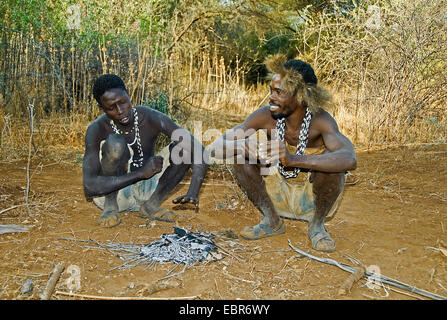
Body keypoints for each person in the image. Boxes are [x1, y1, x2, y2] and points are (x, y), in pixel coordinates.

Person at [208, 54, 356, 252]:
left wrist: (293, 159)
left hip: (311, 199)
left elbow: (349, 158)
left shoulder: (322, 121)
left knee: (334, 167)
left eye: (280, 92)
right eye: (271, 90)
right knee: (238, 155)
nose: (272, 97)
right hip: (275, 193)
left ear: (302, 95)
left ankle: (317, 225)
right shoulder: (265, 116)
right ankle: (271, 220)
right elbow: (215, 147)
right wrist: (239, 146)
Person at [83, 74, 207, 227]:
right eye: (111, 108)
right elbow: (89, 186)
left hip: (147, 188)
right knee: (115, 143)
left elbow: (198, 148)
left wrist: (193, 191)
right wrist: (141, 173)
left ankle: (151, 206)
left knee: (184, 150)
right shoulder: (96, 129)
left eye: (122, 102)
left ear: (128, 94)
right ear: (101, 108)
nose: (120, 110)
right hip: (114, 193)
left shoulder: (150, 116)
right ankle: (110, 207)